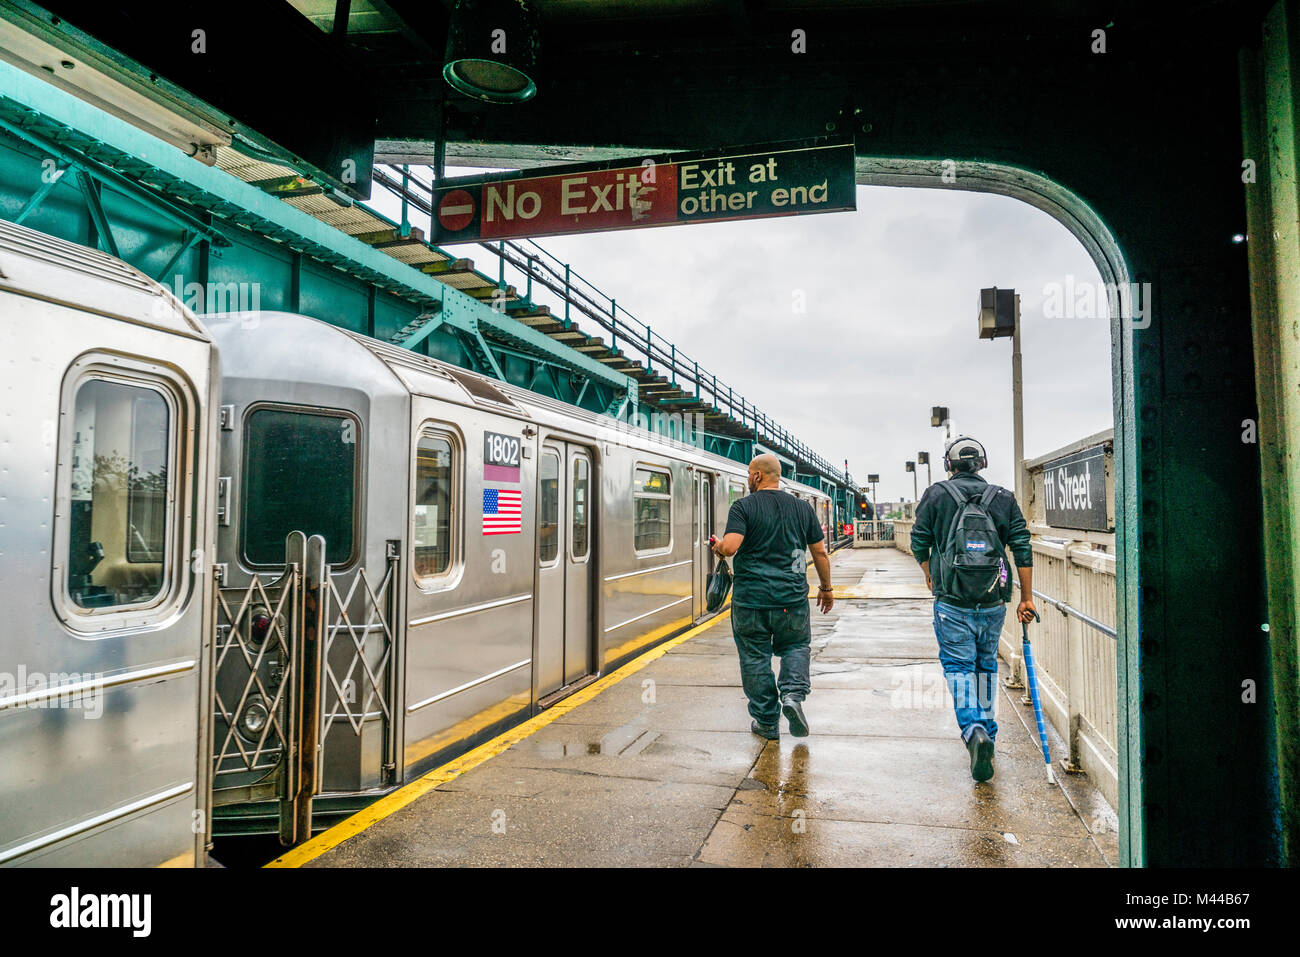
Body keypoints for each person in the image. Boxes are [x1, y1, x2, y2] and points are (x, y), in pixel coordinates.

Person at [910, 435, 1035, 782]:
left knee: (958, 666)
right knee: (985, 667)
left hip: (952, 601)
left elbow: (918, 541)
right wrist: (1025, 597)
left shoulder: (937, 494)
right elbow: (1022, 547)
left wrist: (929, 575)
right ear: (982, 464)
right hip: (993, 602)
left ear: (949, 465)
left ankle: (974, 730)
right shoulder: (1003, 498)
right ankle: (988, 735)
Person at [712, 453, 834, 741]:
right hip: (791, 600)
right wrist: (826, 588)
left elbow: (730, 548)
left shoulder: (743, 507)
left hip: (751, 602)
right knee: (796, 645)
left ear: (756, 476)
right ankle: (792, 695)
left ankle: (767, 722)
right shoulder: (803, 509)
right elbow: (819, 553)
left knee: (755, 658)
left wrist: (717, 546)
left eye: (748, 474)